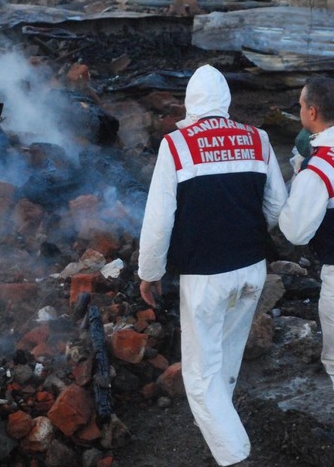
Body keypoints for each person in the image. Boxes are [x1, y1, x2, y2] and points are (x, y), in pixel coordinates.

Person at [137, 64, 287, 466]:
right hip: (252, 267)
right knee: (227, 356)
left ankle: (235, 454)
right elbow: (276, 206)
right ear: (225, 102)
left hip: (205, 276)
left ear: (191, 103)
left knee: (200, 378)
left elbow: (158, 220)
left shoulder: (177, 145)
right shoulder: (258, 139)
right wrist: (245, 228)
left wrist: (149, 273)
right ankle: (226, 435)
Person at [279, 76, 334, 394]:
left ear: (311, 112)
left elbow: (297, 232)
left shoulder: (319, 170)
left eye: (300, 105)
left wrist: (299, 181)